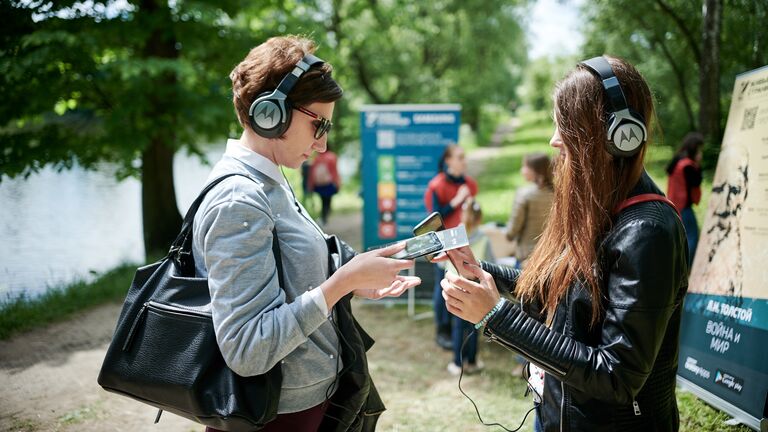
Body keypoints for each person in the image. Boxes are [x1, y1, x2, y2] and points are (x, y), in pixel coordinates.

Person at [440, 55, 688, 431]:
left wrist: (495, 317)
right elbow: (556, 296)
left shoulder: (647, 231)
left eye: (565, 127)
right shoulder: (598, 207)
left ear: (614, 137)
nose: (554, 140)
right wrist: (478, 270)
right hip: (557, 414)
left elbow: (616, 375)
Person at [192, 36, 421, 432]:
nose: (323, 143)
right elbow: (247, 348)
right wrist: (339, 285)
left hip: (302, 409)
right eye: (319, 124)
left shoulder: (269, 179)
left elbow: (290, 281)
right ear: (270, 114)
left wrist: (354, 283)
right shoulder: (239, 202)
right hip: (275, 418)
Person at [423, 144, 478, 350]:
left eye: (465, 157)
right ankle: (443, 330)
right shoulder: (436, 185)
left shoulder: (470, 184)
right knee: (443, 286)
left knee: (462, 285)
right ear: (448, 161)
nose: (464, 161)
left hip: (464, 240)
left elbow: (472, 211)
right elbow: (434, 218)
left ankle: (463, 328)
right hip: (444, 242)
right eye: (460, 157)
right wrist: (456, 201)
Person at [445, 198, 494, 376]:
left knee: (458, 326)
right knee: (475, 325)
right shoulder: (484, 239)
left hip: (456, 287)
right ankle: (472, 361)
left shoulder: (452, 237)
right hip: (475, 288)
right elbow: (491, 263)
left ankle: (458, 363)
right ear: (479, 219)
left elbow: (442, 263)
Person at [505, 152, 554, 268]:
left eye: (524, 167)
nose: (522, 171)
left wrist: (508, 234)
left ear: (534, 170)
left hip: (526, 257)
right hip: (550, 255)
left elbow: (512, 230)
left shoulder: (524, 195)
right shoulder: (557, 194)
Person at [666, 132, 704, 267]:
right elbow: (696, 182)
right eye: (699, 149)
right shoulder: (688, 166)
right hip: (684, 207)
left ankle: (678, 267)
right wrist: (698, 165)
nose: (700, 153)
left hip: (672, 205)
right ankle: (686, 268)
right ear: (694, 148)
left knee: (679, 238)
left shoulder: (677, 160)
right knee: (692, 236)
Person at [309, 145, 341, 225]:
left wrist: (311, 184)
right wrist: (337, 182)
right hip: (329, 183)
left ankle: (324, 217)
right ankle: (325, 217)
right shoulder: (332, 156)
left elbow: (312, 172)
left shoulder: (317, 158)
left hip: (319, 184)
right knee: (328, 200)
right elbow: (334, 171)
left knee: (323, 200)